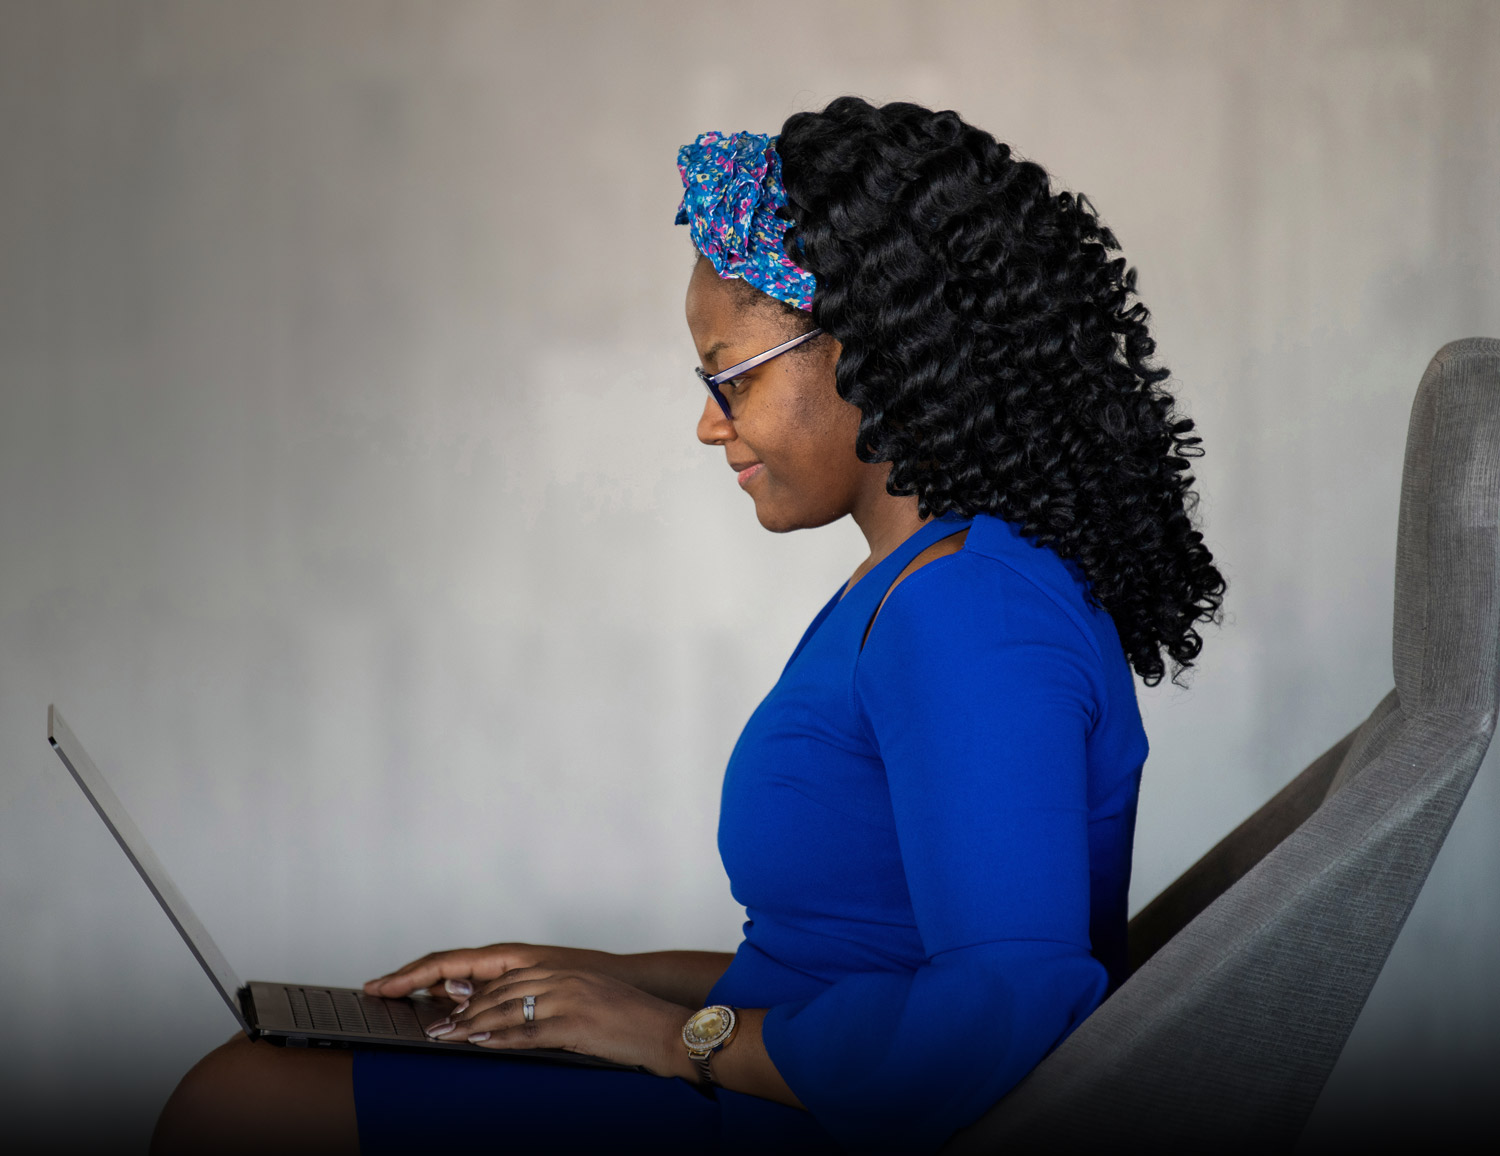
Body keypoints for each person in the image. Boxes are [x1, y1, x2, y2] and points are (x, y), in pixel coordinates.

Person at [151, 96, 1224, 1155]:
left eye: (731, 376)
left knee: (240, 1100)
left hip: (810, 1115)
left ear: (873, 346)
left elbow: (1001, 1007)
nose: (709, 422)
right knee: (264, 1079)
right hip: (778, 1081)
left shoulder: (970, 615)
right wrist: (582, 977)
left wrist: (670, 1035)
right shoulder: (915, 584)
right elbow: (829, 965)